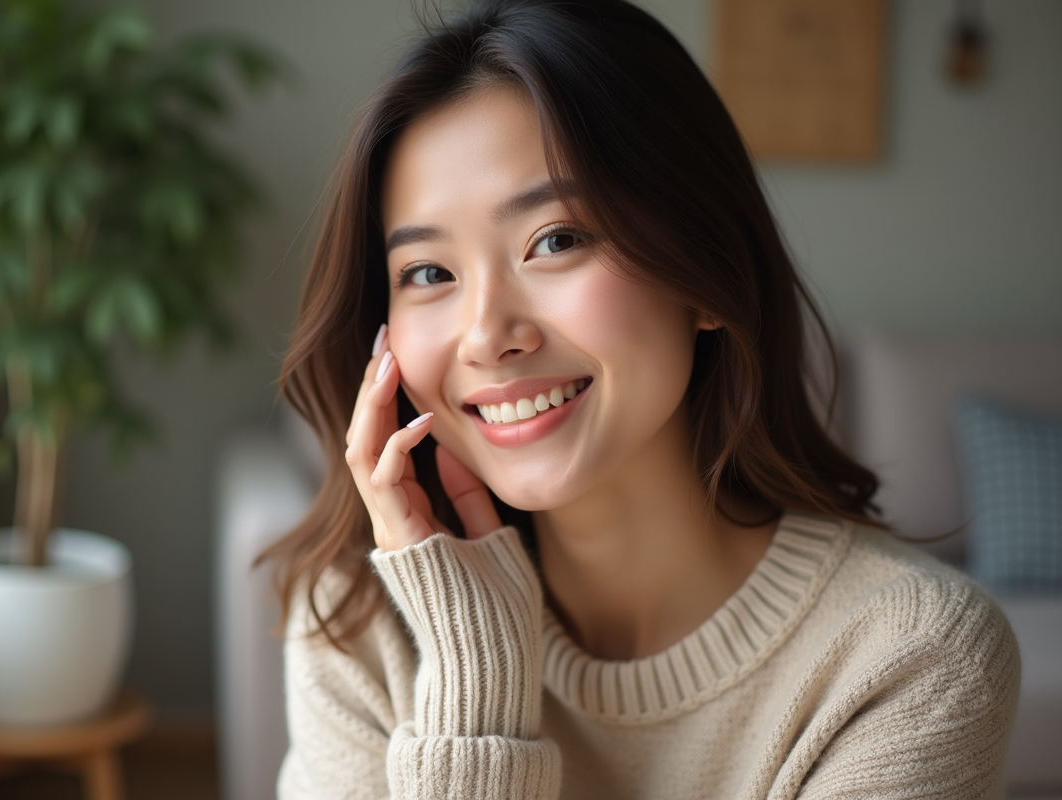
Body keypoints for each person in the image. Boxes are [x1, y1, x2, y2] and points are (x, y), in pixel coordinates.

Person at [261, 1, 1020, 797]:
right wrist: (471, 668)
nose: (487, 335)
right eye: (429, 273)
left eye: (556, 240)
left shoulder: (916, 658)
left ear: (707, 272)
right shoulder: (358, 623)